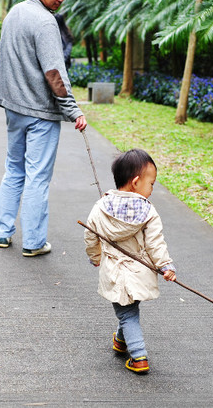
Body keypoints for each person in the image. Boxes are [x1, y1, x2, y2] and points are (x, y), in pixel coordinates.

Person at [0, 0, 87, 257]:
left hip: (14, 110)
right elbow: (55, 73)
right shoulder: (45, 23)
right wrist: (74, 111)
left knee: (14, 170)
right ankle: (33, 242)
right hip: (39, 113)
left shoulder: (14, 13)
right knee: (37, 177)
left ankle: (3, 233)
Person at [84, 148, 176, 375]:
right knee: (129, 309)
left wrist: (96, 257)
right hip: (139, 271)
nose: (152, 189)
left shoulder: (100, 207)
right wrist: (165, 265)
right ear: (136, 182)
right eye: (151, 184)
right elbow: (156, 243)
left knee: (126, 312)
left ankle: (139, 357)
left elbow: (90, 236)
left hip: (114, 271)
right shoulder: (148, 211)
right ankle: (120, 341)